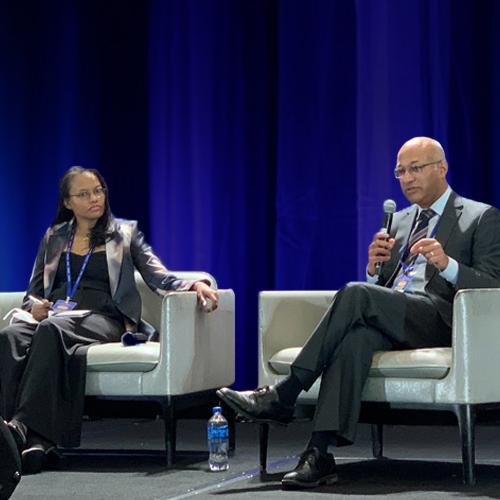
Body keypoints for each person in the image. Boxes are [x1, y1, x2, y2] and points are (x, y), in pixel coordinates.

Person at [217, 137, 500, 489]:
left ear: (441, 168)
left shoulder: (479, 216)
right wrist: (372, 269)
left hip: (442, 321)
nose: (407, 178)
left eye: (416, 169)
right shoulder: (398, 220)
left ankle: (285, 393)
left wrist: (448, 264)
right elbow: (384, 289)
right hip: (396, 316)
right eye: (401, 171)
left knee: (354, 293)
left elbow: (493, 283)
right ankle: (319, 454)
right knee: (355, 338)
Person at [0, 166, 218, 474]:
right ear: (67, 203)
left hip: (105, 318)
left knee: (52, 329)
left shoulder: (125, 234)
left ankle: (19, 427)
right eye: (84, 194)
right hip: (58, 317)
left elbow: (159, 277)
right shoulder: (53, 238)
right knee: (11, 335)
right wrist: (35, 307)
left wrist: (194, 284)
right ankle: (31, 442)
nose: (94, 199)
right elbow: (32, 293)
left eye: (99, 191)